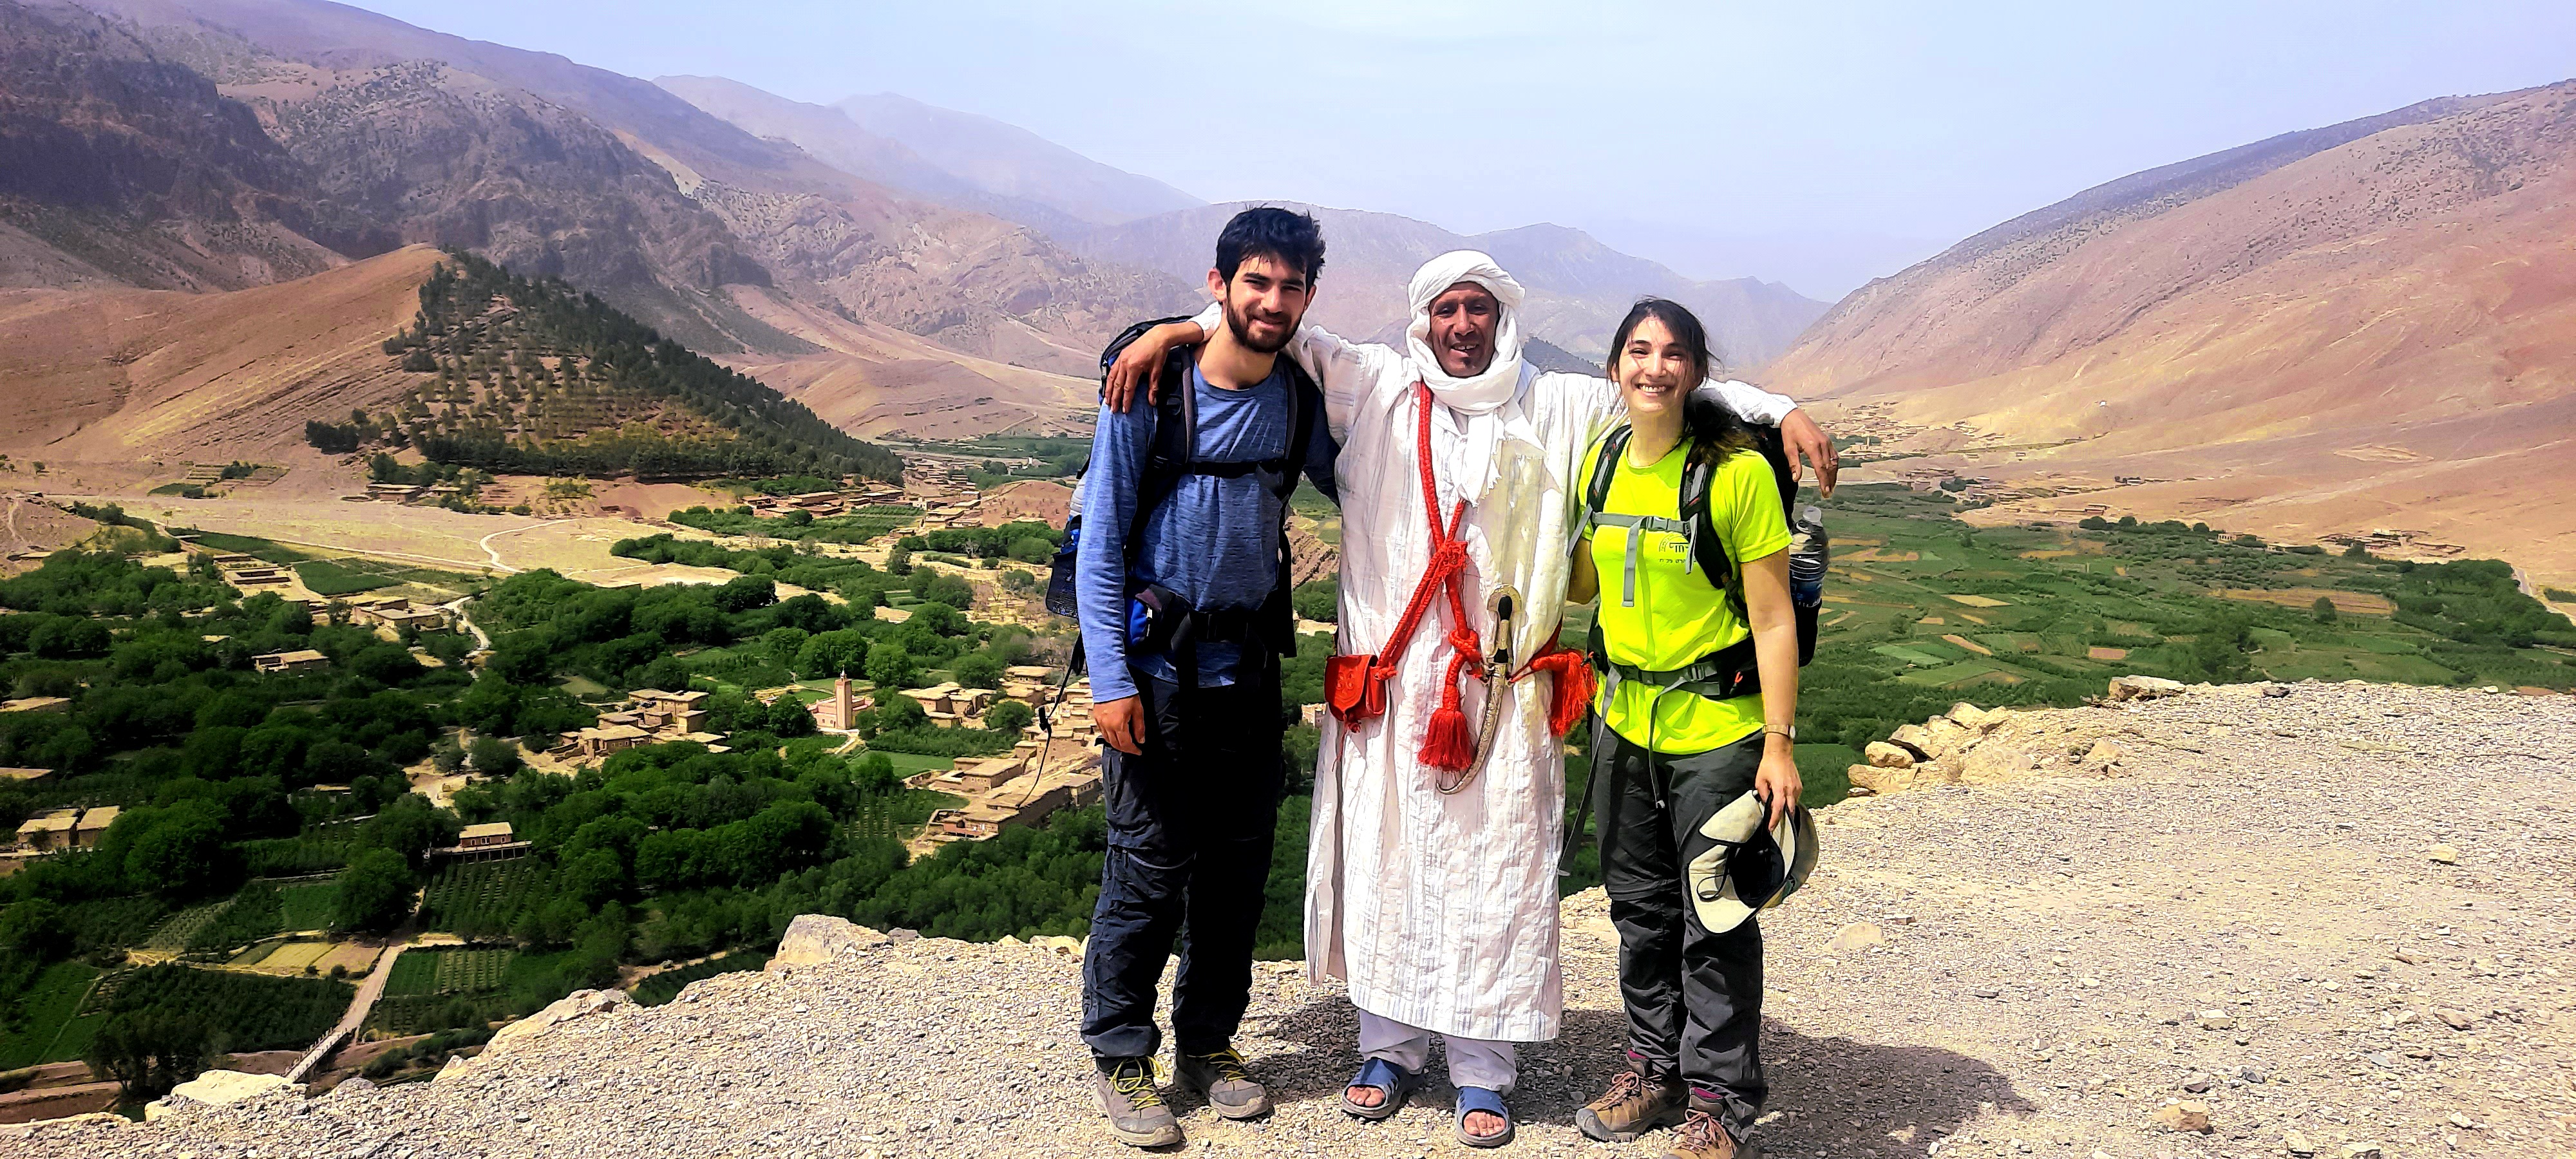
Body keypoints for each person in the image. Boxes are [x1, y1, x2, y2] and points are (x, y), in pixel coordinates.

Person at [1105, 252, 1835, 1147]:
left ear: (1502, 318)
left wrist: (1783, 409)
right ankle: (1390, 1049)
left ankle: (1483, 1069)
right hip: (1392, 691)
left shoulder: (1560, 403)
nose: (1463, 325)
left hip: (1505, 696)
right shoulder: (1374, 384)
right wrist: (1179, 328)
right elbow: (1273, 328)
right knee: (1391, 865)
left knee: (1499, 875)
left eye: (1479, 309)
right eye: (1447, 308)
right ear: (1422, 319)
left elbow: (1675, 394)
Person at [1074, 206, 1340, 1149]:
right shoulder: (1151, 390)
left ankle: (1209, 1043)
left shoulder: (1298, 401)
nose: (1274, 302)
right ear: (1219, 284)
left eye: (1292, 285)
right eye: (1256, 283)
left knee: (1234, 874)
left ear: (1310, 295)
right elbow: (1100, 545)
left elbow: (1377, 474)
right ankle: (1119, 1052)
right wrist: (1108, 679)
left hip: (1250, 675)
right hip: (1155, 678)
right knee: (1148, 871)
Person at [1564, 299, 1806, 1159]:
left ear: (1696, 371)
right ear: (1614, 368)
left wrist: (1779, 743)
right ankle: (1651, 1070)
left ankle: (1720, 1102)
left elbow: (1774, 619)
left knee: (1717, 916)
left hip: (1717, 727)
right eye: (1638, 351)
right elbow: (1586, 586)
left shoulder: (1735, 475)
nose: (1654, 367)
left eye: (1673, 354)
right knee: (1639, 911)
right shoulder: (1600, 463)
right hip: (1622, 719)